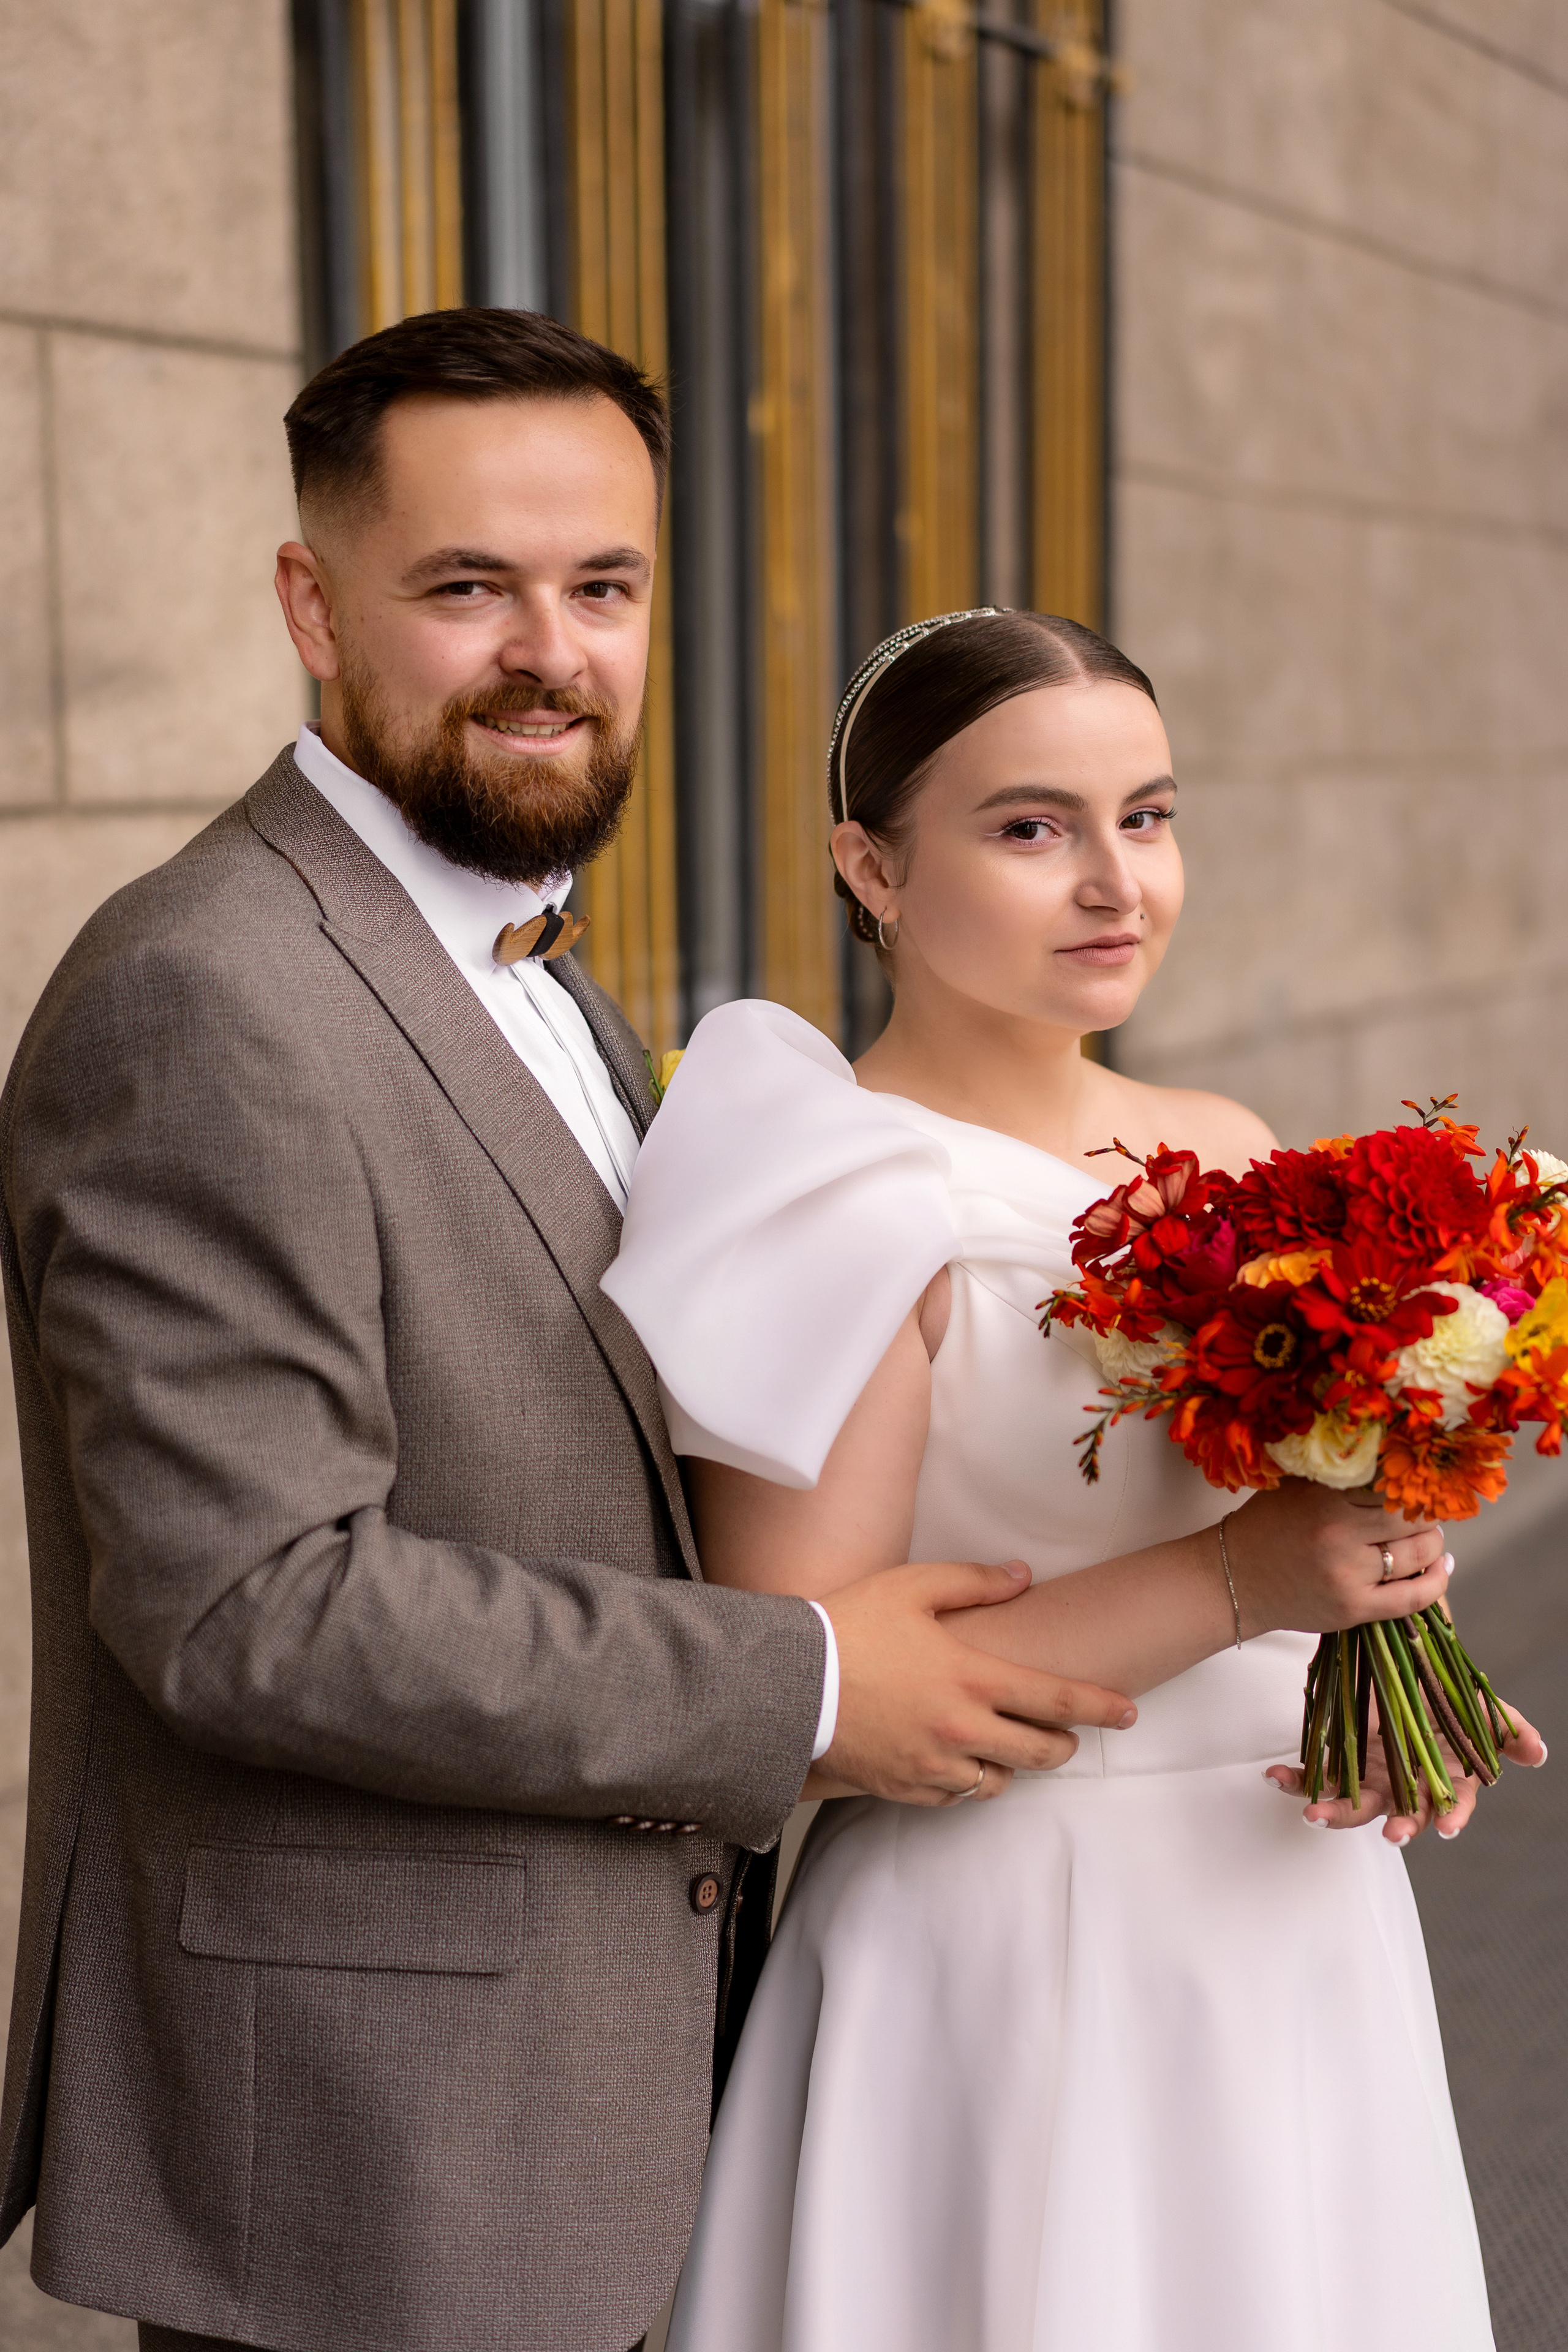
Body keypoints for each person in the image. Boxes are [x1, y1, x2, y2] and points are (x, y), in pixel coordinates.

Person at [0, 318, 1146, 2352]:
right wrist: (796, 1688)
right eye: (466, 588)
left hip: (607, 2098)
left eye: (601, 587)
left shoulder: (540, 981)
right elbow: (248, 1606)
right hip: (379, 2155)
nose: (553, 651)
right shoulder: (207, 995)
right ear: (312, 603)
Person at [604, 608, 1546, 2352]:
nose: (1116, 880)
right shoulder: (840, 1190)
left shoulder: (1239, 1142)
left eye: (1151, 815)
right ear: (868, 865)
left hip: (1288, 1903)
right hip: (1022, 1931)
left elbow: (1293, 1526)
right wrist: (1263, 1582)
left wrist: (1381, 1645)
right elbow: (800, 1683)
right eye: (1032, 828)